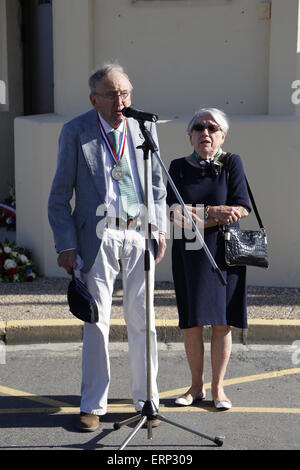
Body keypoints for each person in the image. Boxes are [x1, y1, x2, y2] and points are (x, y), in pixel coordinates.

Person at [48, 63, 167, 431]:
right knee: (96, 323)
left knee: (143, 320)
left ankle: (146, 400)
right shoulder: (76, 131)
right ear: (94, 99)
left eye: (126, 93)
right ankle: (92, 406)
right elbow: (58, 198)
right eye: (112, 94)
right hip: (96, 235)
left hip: (137, 233)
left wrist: (159, 228)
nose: (121, 101)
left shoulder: (142, 128)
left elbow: (158, 186)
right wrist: (66, 244)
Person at [166, 108, 251, 410]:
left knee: (221, 322)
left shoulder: (231, 163)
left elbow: (241, 207)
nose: (206, 133)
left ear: (222, 135)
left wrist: (199, 215)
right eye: (199, 128)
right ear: (189, 135)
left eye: (213, 128)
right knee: (191, 323)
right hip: (189, 252)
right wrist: (215, 212)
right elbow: (173, 213)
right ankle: (194, 387)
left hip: (225, 251)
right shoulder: (177, 167)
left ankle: (219, 389)